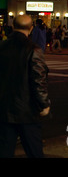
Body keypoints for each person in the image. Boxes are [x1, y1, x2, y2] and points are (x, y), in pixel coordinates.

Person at [0, 15, 51, 158]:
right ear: (31, 28)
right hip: (27, 111)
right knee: (34, 151)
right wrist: (44, 104)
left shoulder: (2, 47)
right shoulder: (33, 50)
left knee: (5, 150)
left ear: (13, 26)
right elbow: (38, 81)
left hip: (4, 108)